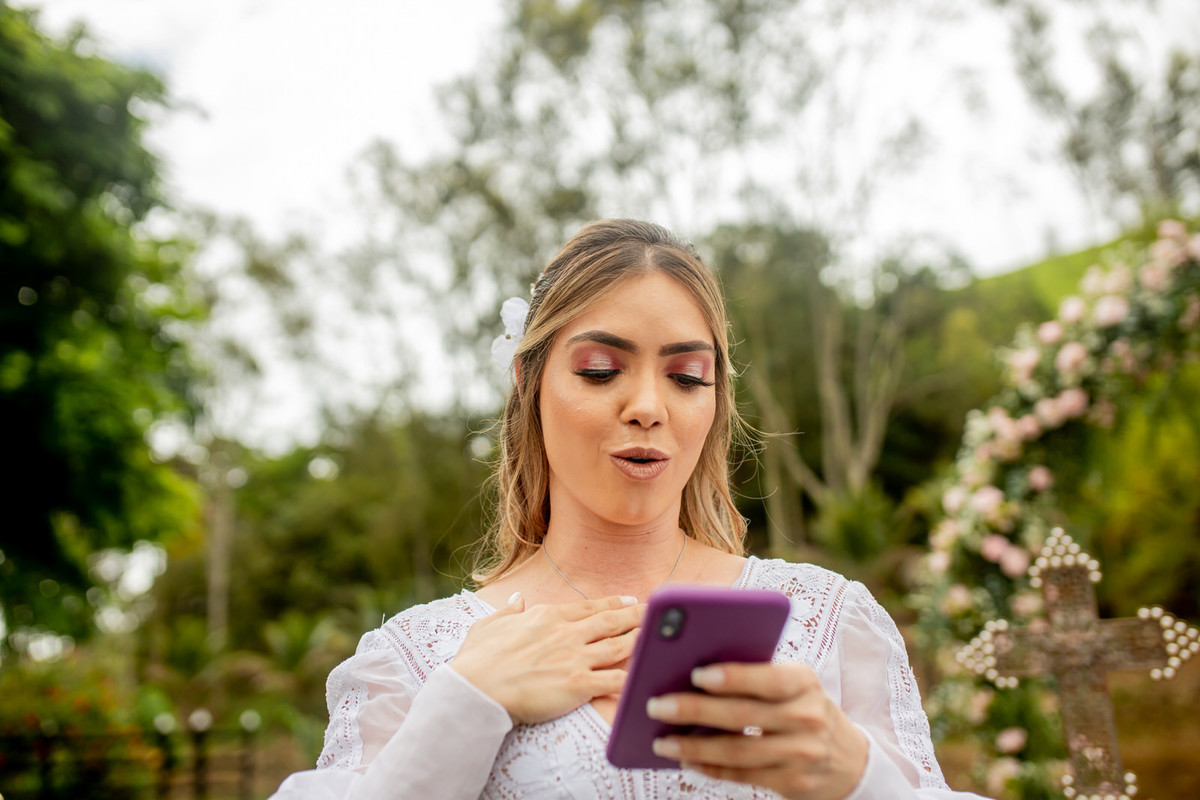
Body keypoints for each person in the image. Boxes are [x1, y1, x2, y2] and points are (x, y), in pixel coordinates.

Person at [270, 220, 990, 799]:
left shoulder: (828, 621)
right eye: (600, 370)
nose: (647, 407)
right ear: (528, 380)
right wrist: (463, 704)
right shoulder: (417, 660)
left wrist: (859, 780)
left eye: (685, 376)